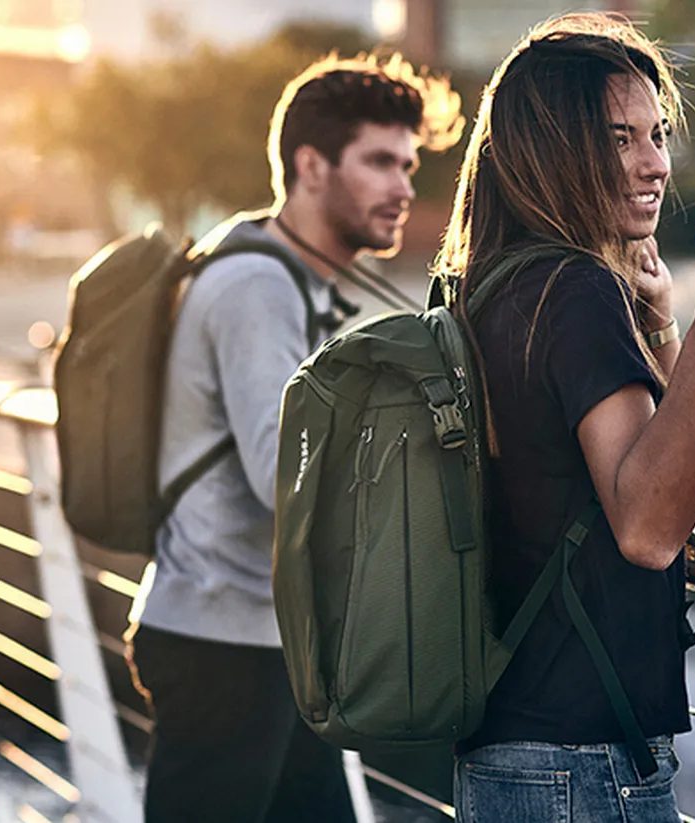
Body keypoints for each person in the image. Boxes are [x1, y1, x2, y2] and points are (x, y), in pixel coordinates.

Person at [433, 13, 695, 823]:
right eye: (619, 137)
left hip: (512, 750)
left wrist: (664, 322)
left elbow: (661, 455)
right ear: (552, 149)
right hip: (581, 763)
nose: (655, 163)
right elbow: (651, 524)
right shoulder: (573, 291)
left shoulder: (490, 283)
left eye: (658, 134)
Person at [124, 52, 462, 823]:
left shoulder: (288, 276)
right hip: (225, 646)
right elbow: (284, 475)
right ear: (310, 165)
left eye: (409, 164)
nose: (405, 186)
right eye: (380, 162)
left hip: (264, 640)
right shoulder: (258, 286)